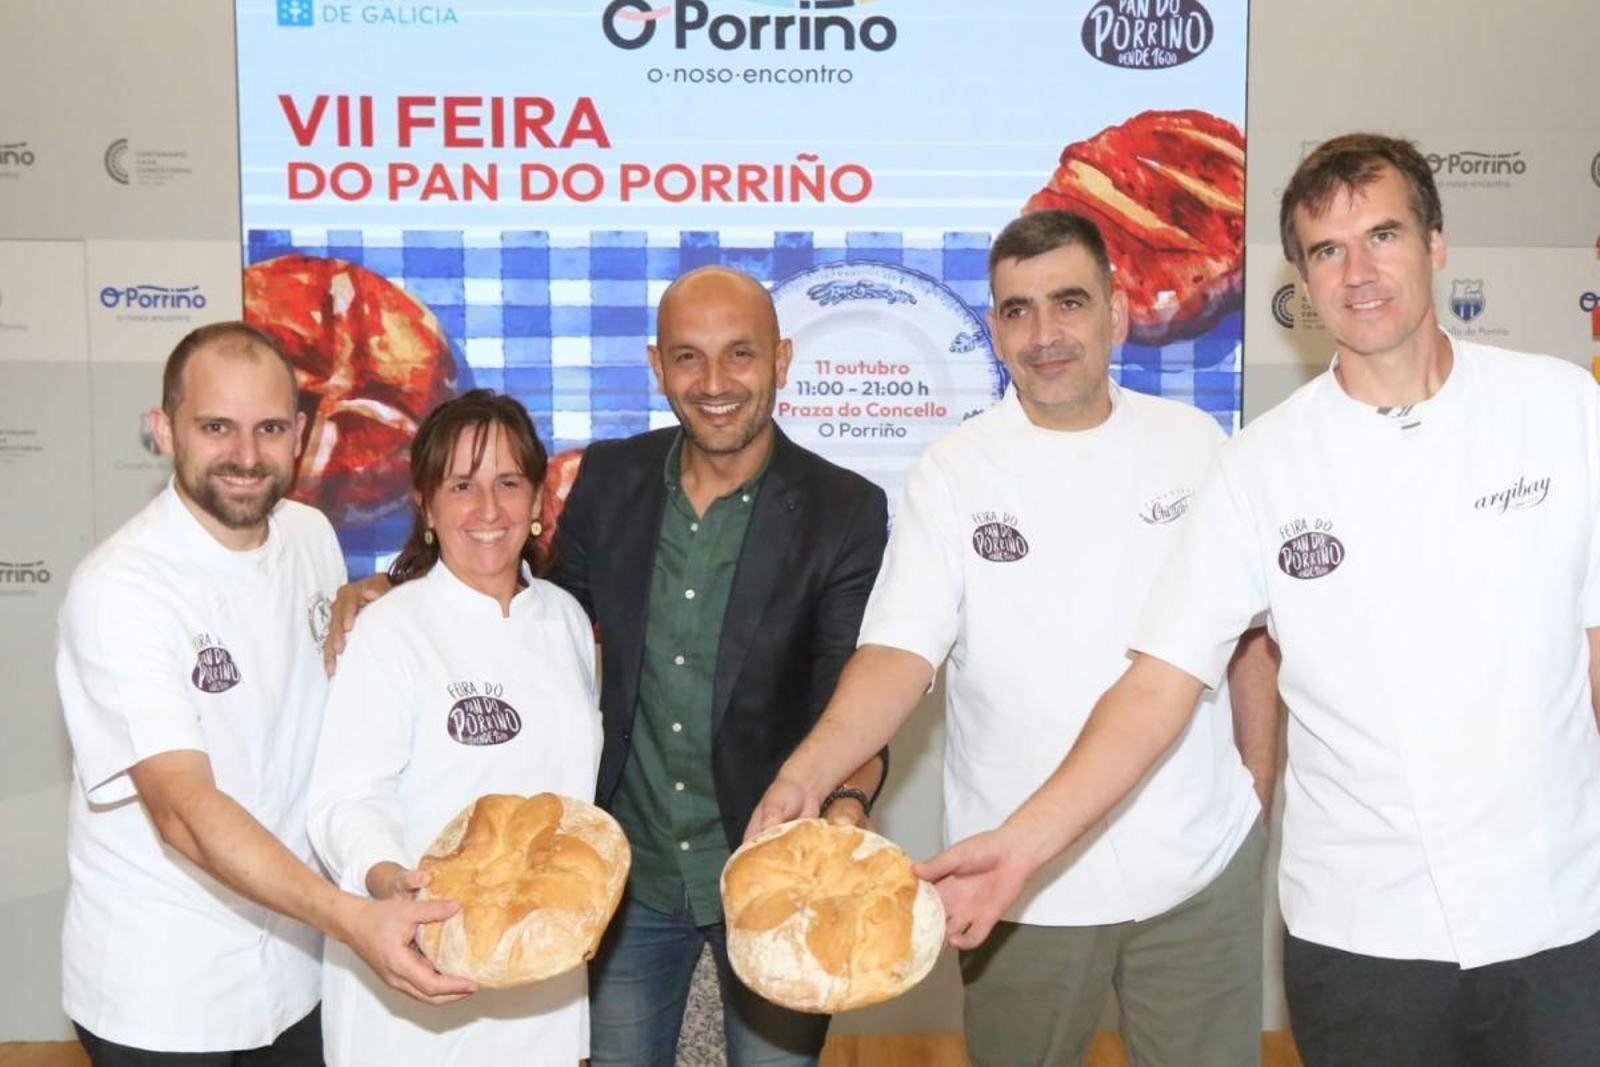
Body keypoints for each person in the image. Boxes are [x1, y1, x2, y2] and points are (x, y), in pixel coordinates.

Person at [919, 134, 1600, 1067]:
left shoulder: (1564, 411)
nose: (1358, 272)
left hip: (1561, 914)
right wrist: (1021, 845)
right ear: (1303, 279)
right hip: (1362, 933)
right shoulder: (1256, 468)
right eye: (1327, 250)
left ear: (1436, 244)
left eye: (1384, 235)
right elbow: (1156, 686)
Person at [749, 212, 1279, 1067]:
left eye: (1069, 302)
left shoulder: (1198, 445)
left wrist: (1256, 791)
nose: (1045, 334)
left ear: (1115, 308)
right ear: (993, 328)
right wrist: (803, 775)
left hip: (1198, 873)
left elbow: (1251, 641)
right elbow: (897, 654)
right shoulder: (954, 471)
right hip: (1016, 882)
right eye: (1018, 310)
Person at [326, 266, 889, 1066]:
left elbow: (857, 687)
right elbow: (525, 614)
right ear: (657, 366)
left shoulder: (847, 509)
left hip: (774, 872)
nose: (717, 382)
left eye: (741, 355)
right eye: (689, 358)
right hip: (627, 884)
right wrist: (399, 582)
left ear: (782, 358)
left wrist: (845, 806)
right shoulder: (611, 479)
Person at [55, 322, 472, 1066]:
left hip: (295, 970)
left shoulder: (311, 535)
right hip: (164, 993)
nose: (246, 456)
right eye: (217, 427)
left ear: (302, 433)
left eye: (270, 428)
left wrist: (372, 596)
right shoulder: (121, 588)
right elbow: (183, 810)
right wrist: (352, 917)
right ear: (164, 429)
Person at [306, 389, 601, 1066]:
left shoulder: (566, 622)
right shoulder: (387, 629)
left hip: (540, 975)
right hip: (413, 972)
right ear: (426, 505)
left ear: (537, 499)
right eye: (461, 485)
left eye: (508, 483)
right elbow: (346, 796)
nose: (489, 510)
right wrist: (388, 880)